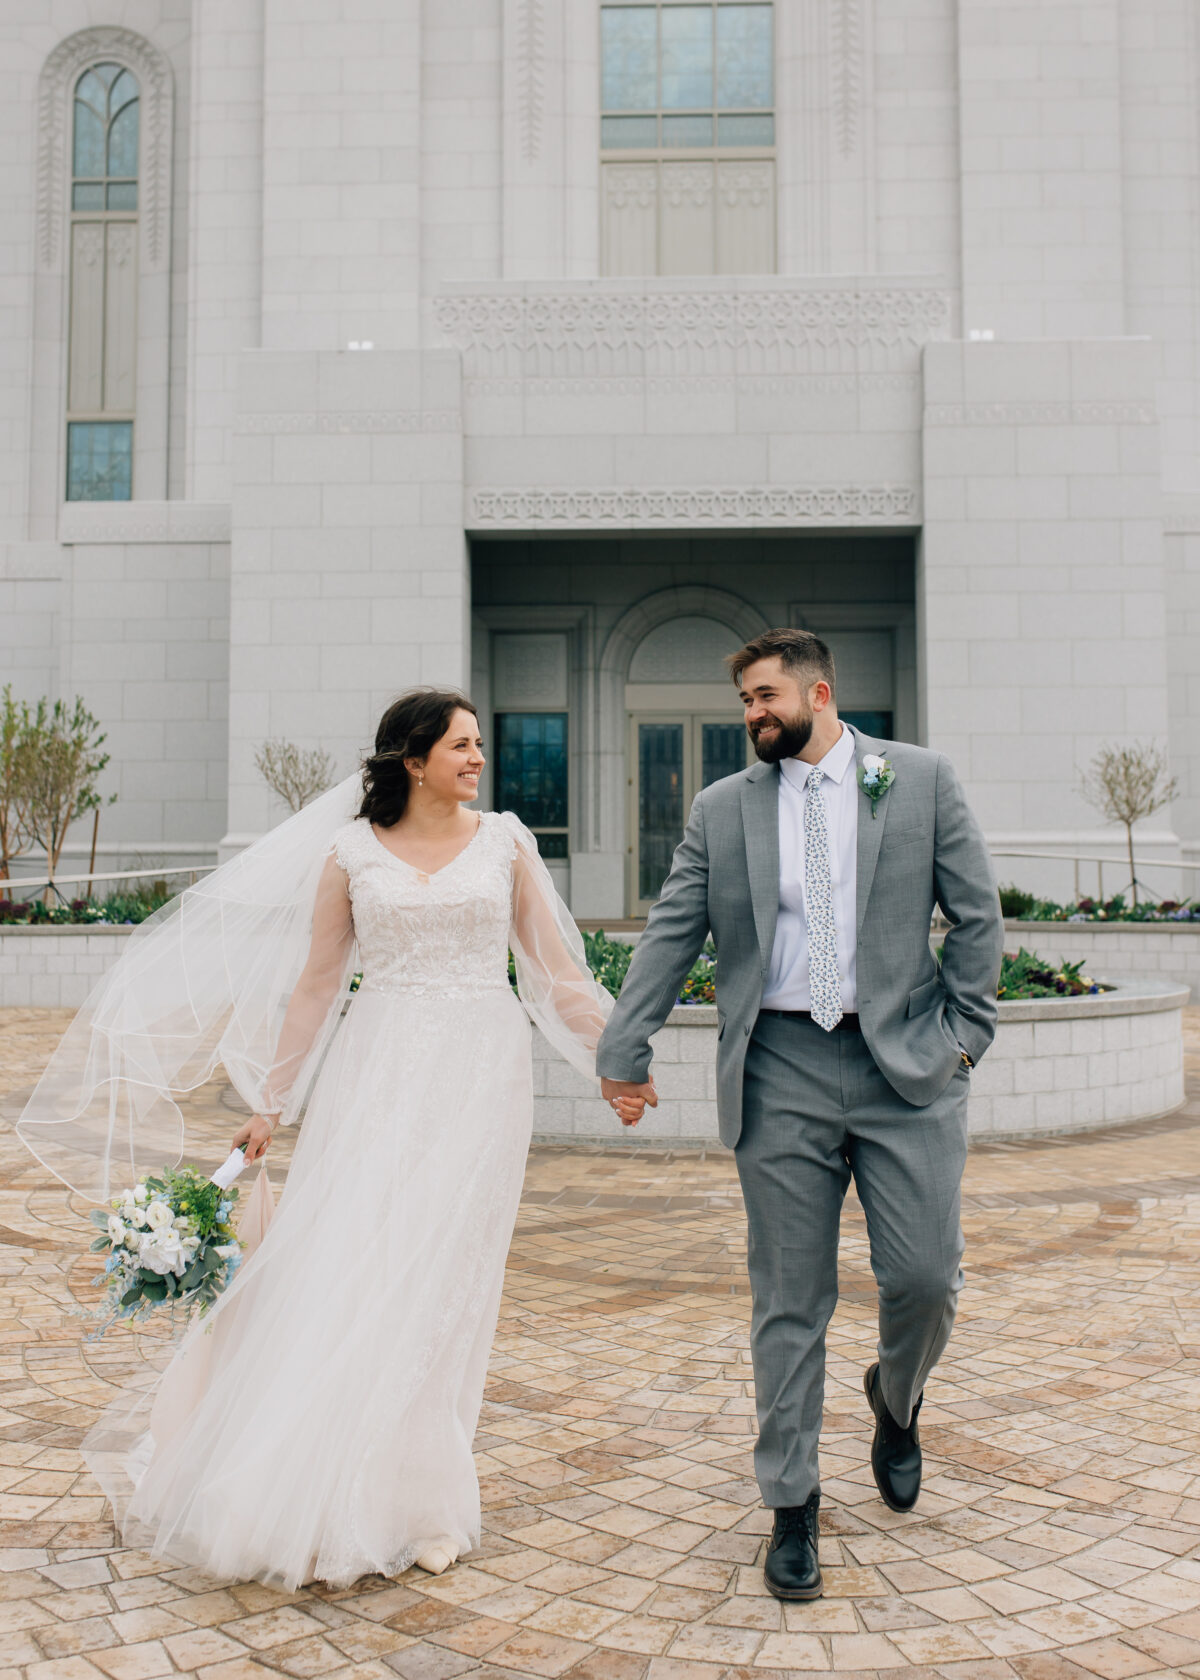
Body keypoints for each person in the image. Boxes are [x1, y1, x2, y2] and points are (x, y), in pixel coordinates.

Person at [17, 688, 646, 1590]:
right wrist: (271, 1102)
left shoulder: (508, 842)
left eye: (478, 745)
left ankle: (419, 1499)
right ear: (413, 759)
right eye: (461, 746)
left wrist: (613, 1060)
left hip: (480, 1076)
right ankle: (313, 1484)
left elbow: (556, 973)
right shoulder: (350, 854)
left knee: (447, 1279)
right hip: (376, 1069)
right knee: (355, 1262)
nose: (479, 759)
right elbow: (316, 985)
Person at [597, 629, 1003, 1602]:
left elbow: (977, 917)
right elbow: (671, 931)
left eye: (766, 695)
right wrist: (625, 1047)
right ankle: (793, 1504)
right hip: (779, 1068)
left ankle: (895, 1401)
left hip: (905, 1066)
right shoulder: (722, 810)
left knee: (922, 1279)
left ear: (820, 693)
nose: (752, 712)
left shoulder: (920, 780)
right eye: (744, 698)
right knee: (790, 1300)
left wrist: (963, 1040)